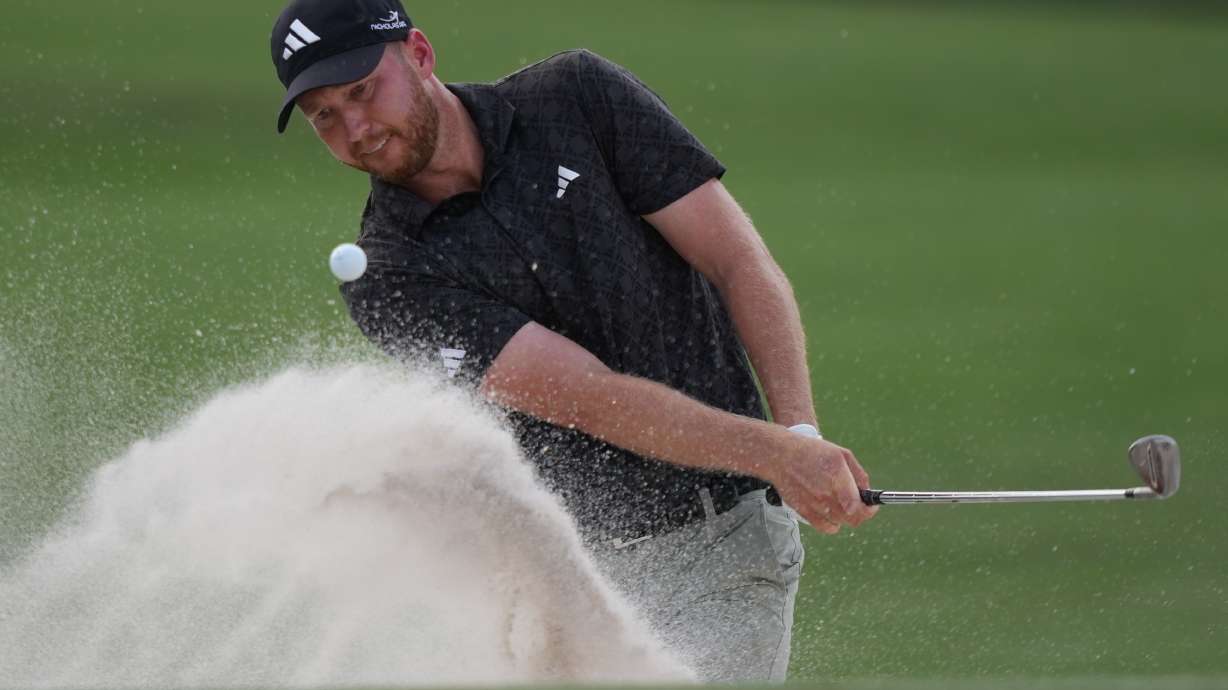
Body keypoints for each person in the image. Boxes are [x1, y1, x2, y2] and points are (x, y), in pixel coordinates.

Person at [270, 0, 877, 681]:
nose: (355, 128)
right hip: (563, 585)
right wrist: (774, 451)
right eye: (325, 115)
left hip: (724, 546)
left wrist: (796, 433)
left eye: (361, 90)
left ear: (418, 53)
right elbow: (589, 398)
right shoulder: (390, 275)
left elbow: (738, 261)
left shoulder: (576, 98)